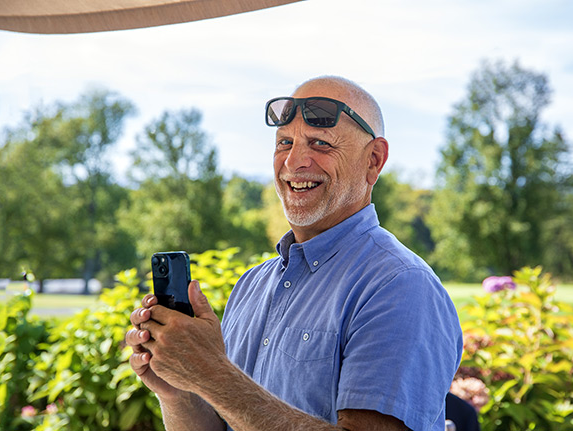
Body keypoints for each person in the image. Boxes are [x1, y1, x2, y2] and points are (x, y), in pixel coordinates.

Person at [126, 76, 463, 431]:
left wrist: (212, 375)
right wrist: (180, 391)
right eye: (284, 142)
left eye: (320, 143)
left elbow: (225, 388)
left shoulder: (400, 286)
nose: (294, 161)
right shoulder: (252, 284)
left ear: (374, 161)